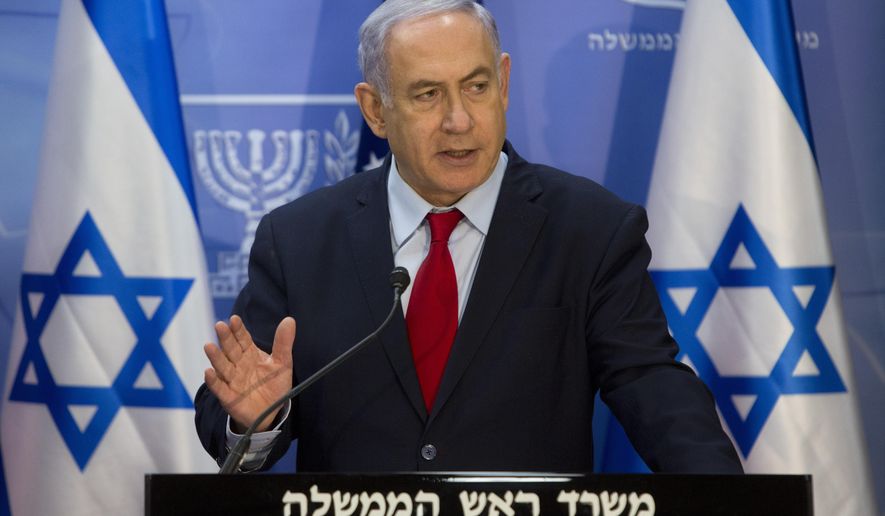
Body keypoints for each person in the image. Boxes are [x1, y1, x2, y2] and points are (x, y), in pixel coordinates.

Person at [194, 0, 742, 474]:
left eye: (476, 87)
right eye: (428, 94)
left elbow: (651, 385)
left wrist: (733, 504)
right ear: (376, 110)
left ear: (503, 84)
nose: (459, 120)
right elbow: (233, 416)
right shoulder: (301, 240)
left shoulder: (589, 229)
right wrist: (256, 419)